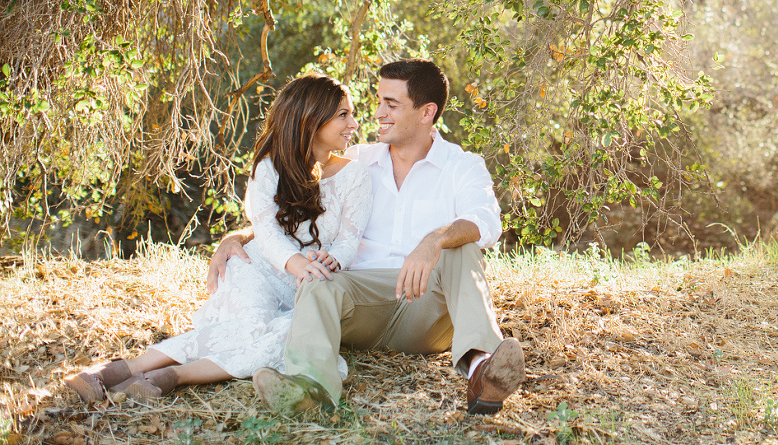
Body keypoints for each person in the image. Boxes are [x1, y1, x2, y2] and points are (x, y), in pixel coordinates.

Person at [208, 58, 525, 417]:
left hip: (428, 310)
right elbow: (291, 212)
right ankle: (309, 389)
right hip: (360, 304)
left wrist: (434, 240)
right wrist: (237, 236)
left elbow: (485, 223)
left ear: (426, 112)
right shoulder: (355, 163)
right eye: (378, 101)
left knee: (462, 248)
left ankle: (483, 368)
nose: (377, 113)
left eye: (391, 104)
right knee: (317, 280)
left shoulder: (463, 166)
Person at [64, 74, 372, 403]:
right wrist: (292, 262)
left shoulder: (355, 175)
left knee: (289, 334)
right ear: (311, 119)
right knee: (247, 329)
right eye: (343, 114)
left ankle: (166, 377)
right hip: (259, 269)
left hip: (311, 284)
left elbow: (348, 241)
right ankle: (108, 374)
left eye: (351, 114)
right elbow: (265, 232)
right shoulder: (268, 168)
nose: (353, 122)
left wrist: (333, 260)